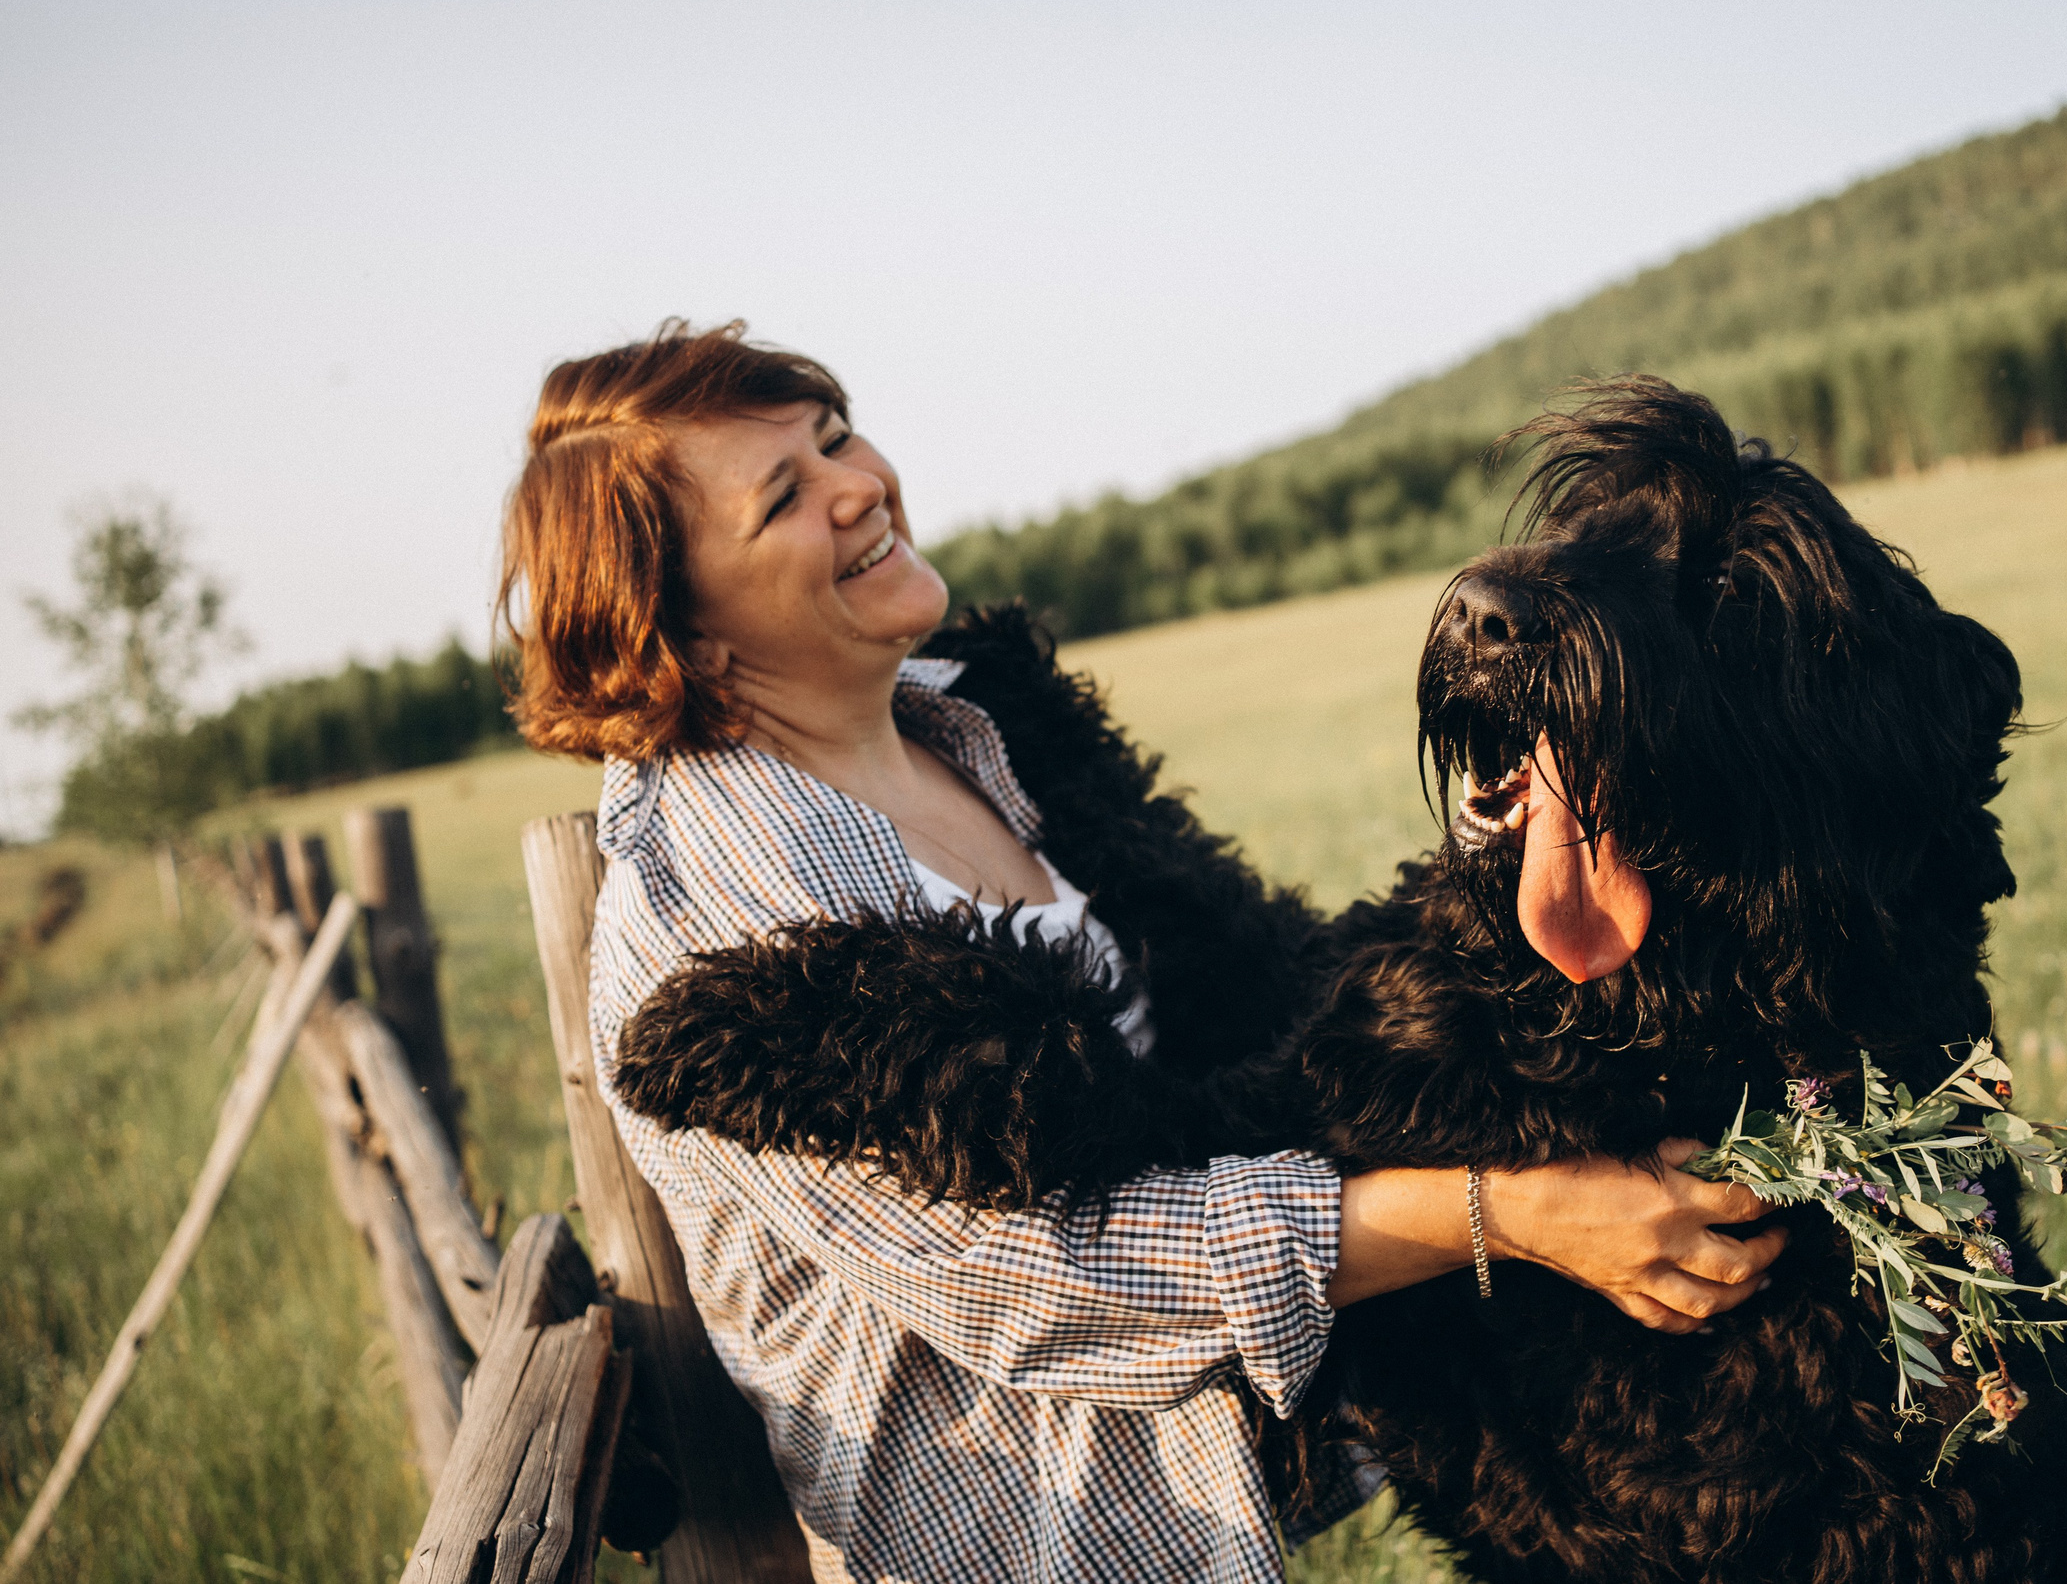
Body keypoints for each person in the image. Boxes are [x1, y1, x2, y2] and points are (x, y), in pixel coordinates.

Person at [497, 320, 1787, 1583]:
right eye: (784, 496)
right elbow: (1041, 1279)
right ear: (686, 634)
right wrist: (1505, 1212)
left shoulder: (969, 725)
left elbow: (1244, 1012)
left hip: (1235, 1436)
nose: (858, 486)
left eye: (836, 438)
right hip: (1038, 1529)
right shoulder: (726, 930)